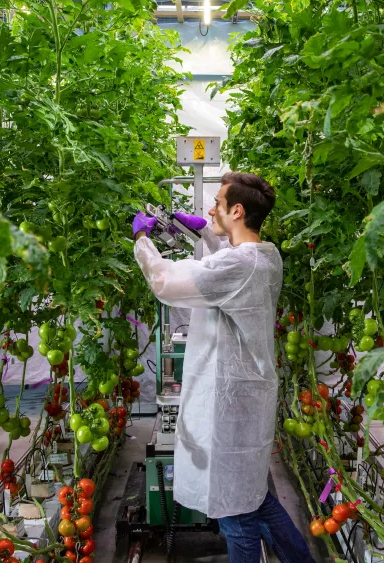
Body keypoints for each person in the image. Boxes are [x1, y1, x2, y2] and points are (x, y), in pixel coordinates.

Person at [132, 172, 316, 563]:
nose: (209, 209)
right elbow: (223, 262)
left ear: (237, 209)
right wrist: (205, 233)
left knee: (236, 517)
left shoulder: (241, 265)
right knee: (256, 501)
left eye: (216, 203)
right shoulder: (265, 255)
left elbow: (166, 281)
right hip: (244, 396)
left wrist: (142, 242)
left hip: (226, 407)